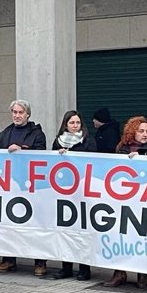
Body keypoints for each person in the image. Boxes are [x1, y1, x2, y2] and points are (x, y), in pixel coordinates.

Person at [0, 99, 47, 275]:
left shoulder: (37, 134)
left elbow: (42, 155)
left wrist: (23, 149)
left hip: (31, 187)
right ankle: (9, 260)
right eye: (14, 112)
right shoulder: (6, 132)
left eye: (20, 113)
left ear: (27, 114)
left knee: (35, 225)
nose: (17, 116)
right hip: (9, 186)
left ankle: (40, 262)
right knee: (9, 224)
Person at [104, 116, 147, 288]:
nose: (145, 134)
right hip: (123, 199)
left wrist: (143, 160)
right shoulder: (122, 148)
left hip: (144, 201)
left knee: (141, 236)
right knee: (120, 235)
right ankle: (119, 272)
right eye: (140, 131)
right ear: (132, 132)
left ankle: (141, 275)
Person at [49, 110, 96, 281]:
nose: (75, 126)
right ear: (66, 125)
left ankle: (84, 268)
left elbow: (93, 161)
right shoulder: (57, 142)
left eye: (77, 123)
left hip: (81, 192)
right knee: (65, 231)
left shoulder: (88, 141)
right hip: (63, 191)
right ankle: (66, 267)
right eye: (71, 123)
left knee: (82, 232)